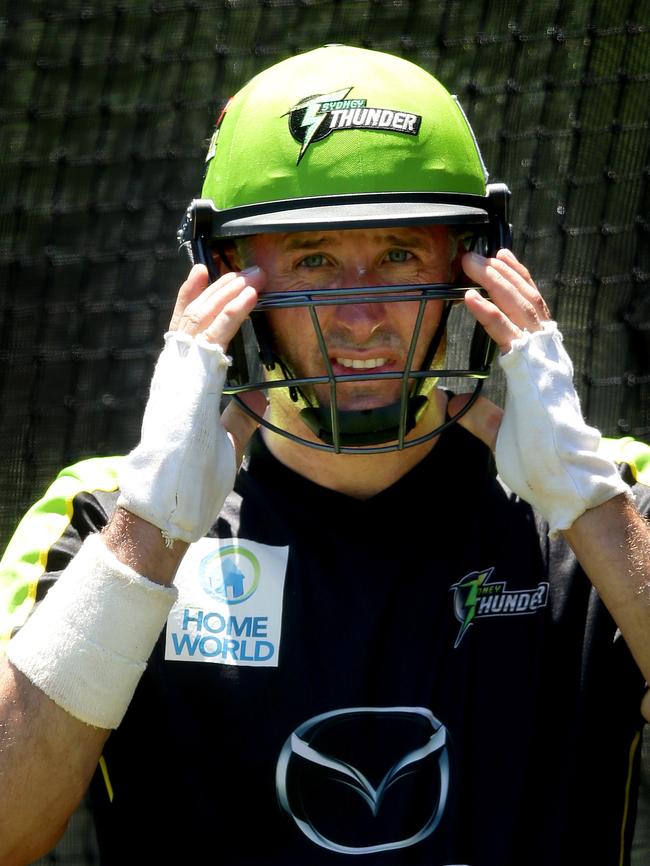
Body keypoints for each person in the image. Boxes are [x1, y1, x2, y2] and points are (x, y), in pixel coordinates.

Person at [0, 44, 649, 866]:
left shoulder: (617, 497)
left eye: (399, 255)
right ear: (227, 274)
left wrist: (592, 511)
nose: (363, 315)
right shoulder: (96, 516)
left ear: (468, 266)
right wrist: (147, 538)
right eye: (314, 262)